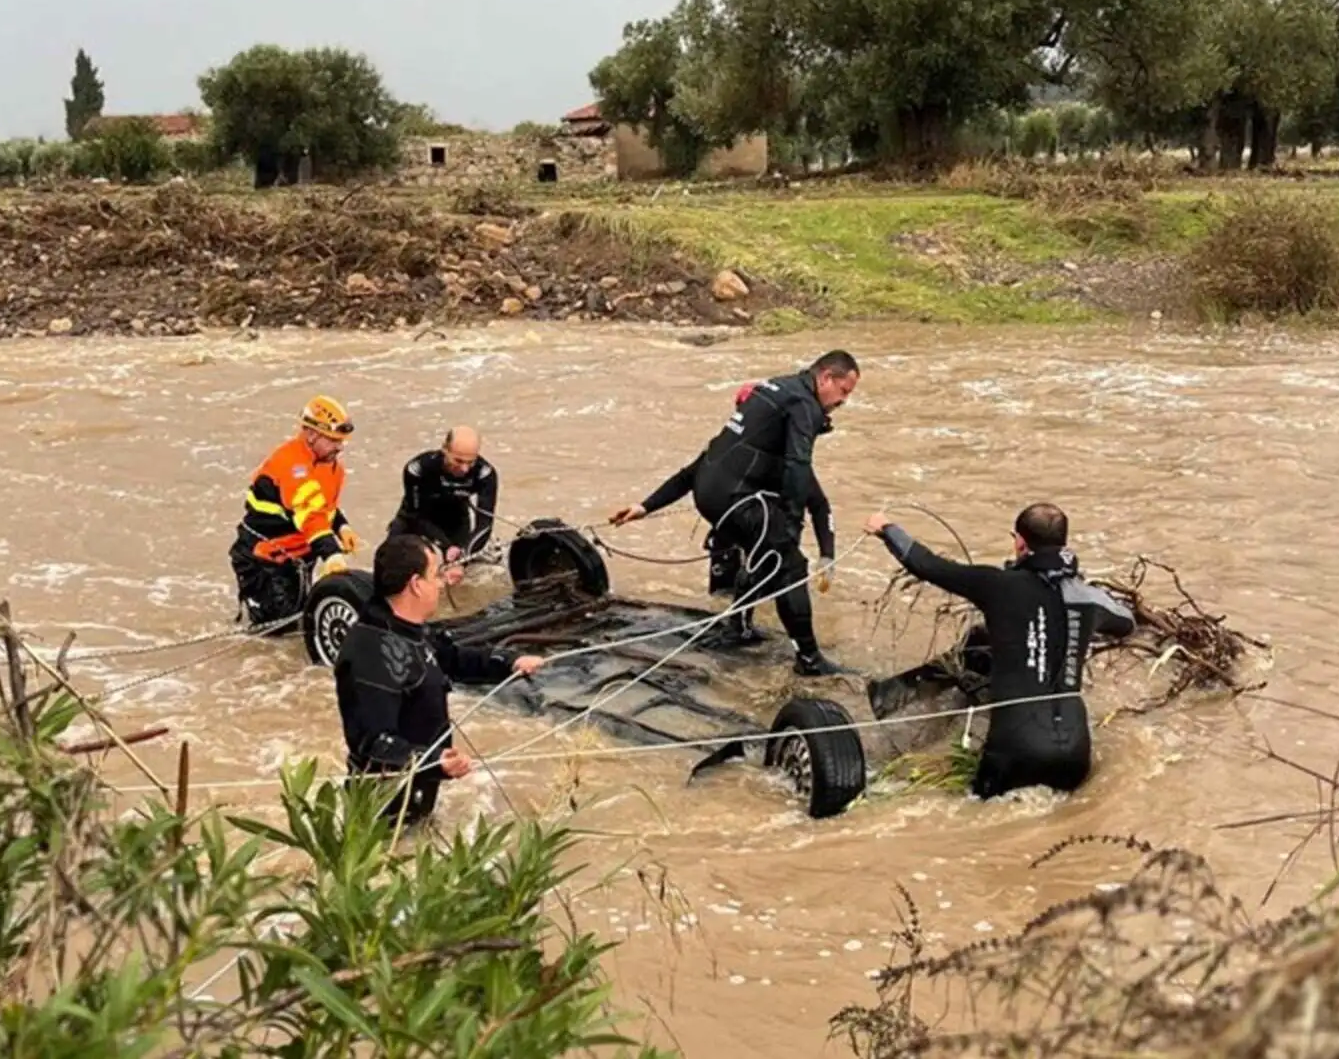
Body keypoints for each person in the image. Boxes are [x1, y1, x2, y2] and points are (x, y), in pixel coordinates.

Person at [608, 351, 860, 676]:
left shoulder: (774, 396)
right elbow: (800, 463)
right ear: (825, 378)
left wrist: (645, 506)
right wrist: (792, 528)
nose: (843, 401)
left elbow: (703, 463)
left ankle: (737, 627)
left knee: (764, 550)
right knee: (789, 562)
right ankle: (809, 659)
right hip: (734, 499)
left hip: (714, 494)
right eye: (844, 391)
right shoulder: (803, 404)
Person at [862, 503, 1136, 798]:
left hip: (1015, 749)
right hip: (1075, 753)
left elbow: (928, 565)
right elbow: (1126, 623)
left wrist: (886, 529)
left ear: (1020, 542)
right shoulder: (1090, 597)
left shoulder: (998, 584)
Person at [332, 533, 546, 824]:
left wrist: (509, 662)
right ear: (416, 585)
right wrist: (434, 762)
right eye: (436, 575)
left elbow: (453, 659)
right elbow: (374, 743)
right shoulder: (369, 654)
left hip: (418, 792)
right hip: (383, 811)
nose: (442, 583)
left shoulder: (407, 628)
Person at [229, 395, 361, 631]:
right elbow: (309, 514)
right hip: (265, 558)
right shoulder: (290, 465)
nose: (340, 447)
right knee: (274, 632)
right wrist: (331, 553)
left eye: (341, 441)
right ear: (311, 434)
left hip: (298, 557)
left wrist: (342, 526)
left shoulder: (332, 466)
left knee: (298, 621)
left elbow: (323, 506)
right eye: (333, 440)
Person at [386, 426, 500, 564]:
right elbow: (415, 515)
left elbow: (485, 524)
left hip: (456, 520)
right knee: (391, 563)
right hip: (416, 516)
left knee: (458, 570)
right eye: (458, 461)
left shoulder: (484, 473)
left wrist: (465, 552)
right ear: (445, 449)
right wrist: (445, 545)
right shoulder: (418, 468)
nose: (464, 469)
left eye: (471, 462)